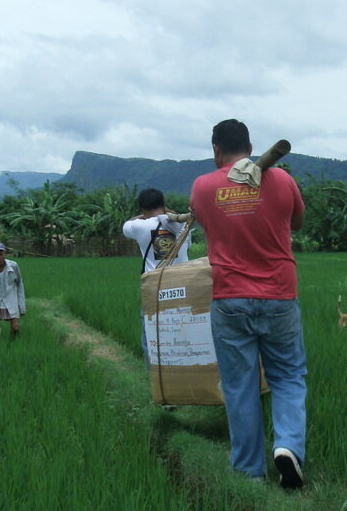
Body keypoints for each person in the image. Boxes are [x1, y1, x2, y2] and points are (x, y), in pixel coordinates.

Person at [189, 119, 308, 489]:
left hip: (229, 299)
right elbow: (298, 223)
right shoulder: (283, 180)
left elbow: (207, 224)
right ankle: (288, 446)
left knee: (240, 385)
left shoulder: (203, 187)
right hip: (279, 296)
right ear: (251, 146)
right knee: (288, 377)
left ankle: (248, 471)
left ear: (216, 149)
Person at [122, 188, 192, 362]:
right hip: (183, 287)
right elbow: (187, 246)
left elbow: (126, 225)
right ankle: (184, 371)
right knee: (184, 333)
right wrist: (169, 213)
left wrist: (141, 216)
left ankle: (156, 377)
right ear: (164, 204)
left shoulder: (138, 226)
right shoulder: (184, 224)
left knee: (152, 335)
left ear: (142, 208)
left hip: (155, 288)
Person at [0, 242, 26, 344]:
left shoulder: (13, 265)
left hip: (11, 298)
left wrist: (22, 305)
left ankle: (10, 344)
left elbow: (20, 284)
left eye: (1, 254)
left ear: (5, 254)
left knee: (15, 327)